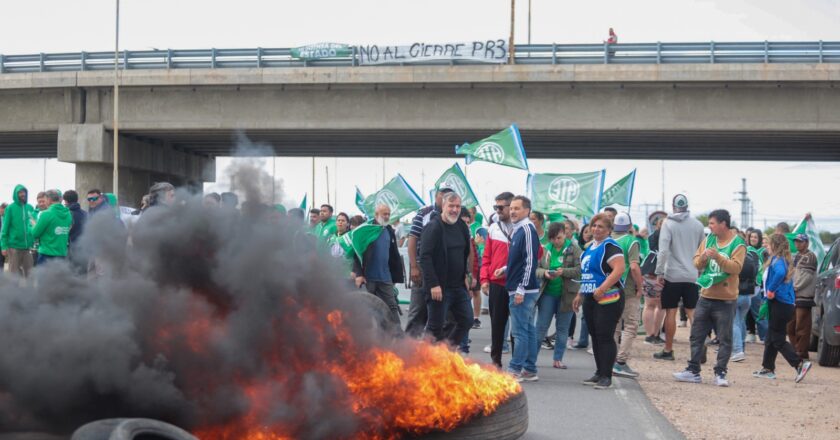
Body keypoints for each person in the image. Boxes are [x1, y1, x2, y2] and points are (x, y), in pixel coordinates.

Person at [673, 209, 745, 387]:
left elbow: (736, 268)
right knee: (696, 335)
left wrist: (718, 257)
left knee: (724, 339)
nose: (709, 226)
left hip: (726, 300)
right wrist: (703, 258)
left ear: (723, 224)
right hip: (705, 296)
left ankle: (720, 372)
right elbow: (696, 261)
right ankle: (693, 370)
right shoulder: (708, 240)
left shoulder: (738, 244)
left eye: (712, 223)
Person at [573, 213, 625, 390]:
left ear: (609, 230)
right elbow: (587, 273)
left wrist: (602, 288)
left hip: (608, 296)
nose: (596, 229)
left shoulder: (610, 246)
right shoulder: (590, 247)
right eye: (594, 226)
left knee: (605, 335)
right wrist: (580, 294)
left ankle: (606, 375)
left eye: (600, 226)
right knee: (594, 335)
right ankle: (599, 371)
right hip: (590, 295)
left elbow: (619, 269)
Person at [753, 233, 812, 382]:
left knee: (777, 338)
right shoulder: (779, 259)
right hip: (781, 304)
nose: (766, 245)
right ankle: (768, 368)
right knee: (771, 338)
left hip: (780, 304)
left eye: (769, 243)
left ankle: (799, 364)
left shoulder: (778, 261)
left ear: (775, 245)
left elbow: (779, 273)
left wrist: (771, 290)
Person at [654, 194, 705, 361]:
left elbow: (663, 251)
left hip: (672, 274)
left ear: (673, 206)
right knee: (692, 311)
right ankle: (699, 348)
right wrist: (700, 270)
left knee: (671, 311)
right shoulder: (698, 225)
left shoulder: (668, 224)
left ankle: (668, 350)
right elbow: (702, 250)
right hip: (692, 274)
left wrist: (659, 272)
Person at [420, 193, 473, 349]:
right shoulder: (433, 227)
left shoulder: (461, 226)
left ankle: (447, 352)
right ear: (443, 206)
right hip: (439, 288)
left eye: (457, 206)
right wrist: (434, 284)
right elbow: (425, 257)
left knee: (467, 320)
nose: (455, 209)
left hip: (458, 286)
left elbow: (464, 252)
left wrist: (465, 275)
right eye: (451, 206)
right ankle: (422, 360)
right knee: (434, 328)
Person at [405, 187, 453, 337]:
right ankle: (407, 350)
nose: (445, 197)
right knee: (418, 311)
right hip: (423, 265)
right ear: (437, 196)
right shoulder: (424, 213)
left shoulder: (454, 216)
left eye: (449, 195)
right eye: (442, 194)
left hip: (446, 269)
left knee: (445, 316)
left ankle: (434, 353)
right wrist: (414, 267)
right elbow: (413, 239)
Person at [502, 196, 541, 382]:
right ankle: (530, 369)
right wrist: (505, 269)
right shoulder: (519, 230)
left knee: (519, 332)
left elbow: (531, 261)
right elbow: (519, 260)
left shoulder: (526, 229)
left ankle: (515, 369)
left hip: (523, 290)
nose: (512, 211)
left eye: (517, 208)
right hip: (522, 287)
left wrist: (521, 289)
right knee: (528, 329)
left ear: (527, 211)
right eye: (511, 208)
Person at [535, 222, 581, 369]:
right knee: (541, 327)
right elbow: (536, 268)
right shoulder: (544, 249)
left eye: (559, 238)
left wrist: (564, 272)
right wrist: (545, 273)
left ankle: (558, 359)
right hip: (547, 293)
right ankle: (531, 359)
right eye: (553, 238)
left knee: (562, 329)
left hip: (567, 294)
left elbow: (581, 269)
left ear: (565, 234)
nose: (556, 241)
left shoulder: (574, 249)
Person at [352, 205, 405, 327]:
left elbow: (393, 254)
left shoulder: (389, 230)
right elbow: (356, 253)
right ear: (376, 215)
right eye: (384, 214)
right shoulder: (366, 230)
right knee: (365, 310)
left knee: (392, 308)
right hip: (368, 278)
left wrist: (395, 276)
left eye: (388, 214)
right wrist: (359, 274)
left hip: (385, 278)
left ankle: (398, 337)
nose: (387, 217)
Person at [481, 192, 515, 369]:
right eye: (496, 207)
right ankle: (496, 362)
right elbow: (486, 256)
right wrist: (484, 279)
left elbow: (535, 255)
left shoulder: (524, 227)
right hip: (496, 285)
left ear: (511, 207)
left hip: (517, 285)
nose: (498, 210)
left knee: (517, 328)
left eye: (501, 207)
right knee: (497, 326)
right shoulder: (493, 228)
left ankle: (517, 364)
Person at [611, 212, 644, 379]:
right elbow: (634, 267)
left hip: (609, 288)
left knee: (614, 326)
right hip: (627, 288)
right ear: (630, 226)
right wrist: (640, 286)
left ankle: (610, 360)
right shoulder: (631, 241)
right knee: (630, 325)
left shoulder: (608, 239)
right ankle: (621, 362)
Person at [787, 234, 817, 359]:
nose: (797, 244)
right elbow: (790, 272)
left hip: (803, 296)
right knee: (790, 326)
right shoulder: (796, 256)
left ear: (807, 243)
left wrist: (793, 288)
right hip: (793, 295)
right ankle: (795, 349)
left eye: (800, 241)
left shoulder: (810, 257)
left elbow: (805, 277)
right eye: (796, 242)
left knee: (802, 326)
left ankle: (801, 352)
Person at [731, 234, 760, 362]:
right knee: (741, 322)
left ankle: (737, 350)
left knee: (734, 323)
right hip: (747, 296)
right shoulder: (751, 256)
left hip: (735, 294)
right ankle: (741, 348)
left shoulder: (735, 258)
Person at [0, 185, 35, 277]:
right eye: (20, 192)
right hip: (14, 247)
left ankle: (29, 291)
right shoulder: (10, 208)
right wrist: (3, 246)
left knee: (30, 273)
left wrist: (33, 241)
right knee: (14, 273)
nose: (23, 194)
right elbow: (5, 228)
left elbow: (34, 225)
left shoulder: (30, 208)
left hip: (28, 247)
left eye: (24, 192)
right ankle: (13, 291)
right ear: (15, 194)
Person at [30, 189, 72, 265]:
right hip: (62, 254)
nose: (45, 203)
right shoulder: (68, 213)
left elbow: (35, 233)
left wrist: (33, 224)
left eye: (45, 200)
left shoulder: (47, 214)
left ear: (49, 200)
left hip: (47, 255)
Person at [642, 216, 666, 345]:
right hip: (664, 272)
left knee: (649, 305)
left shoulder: (652, 236)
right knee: (660, 306)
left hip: (649, 270)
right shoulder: (669, 238)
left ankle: (649, 334)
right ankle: (655, 334)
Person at [746, 229, 768, 343]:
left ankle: (765, 337)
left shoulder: (764, 252)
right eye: (751, 237)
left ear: (759, 239)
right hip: (744, 286)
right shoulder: (746, 249)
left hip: (757, 286)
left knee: (758, 312)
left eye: (755, 237)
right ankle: (749, 334)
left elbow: (767, 267)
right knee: (745, 312)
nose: (753, 239)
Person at [327, 212, 355, 287]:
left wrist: (354, 271)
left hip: (347, 275)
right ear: (336, 223)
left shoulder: (351, 237)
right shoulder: (331, 237)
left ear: (348, 224)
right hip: (333, 274)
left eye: (343, 221)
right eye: (338, 220)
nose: (340, 222)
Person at [62, 190, 88, 271]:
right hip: (85, 249)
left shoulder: (66, 214)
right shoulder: (85, 214)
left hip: (71, 250)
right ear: (77, 199)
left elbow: (65, 232)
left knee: (72, 276)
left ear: (65, 201)